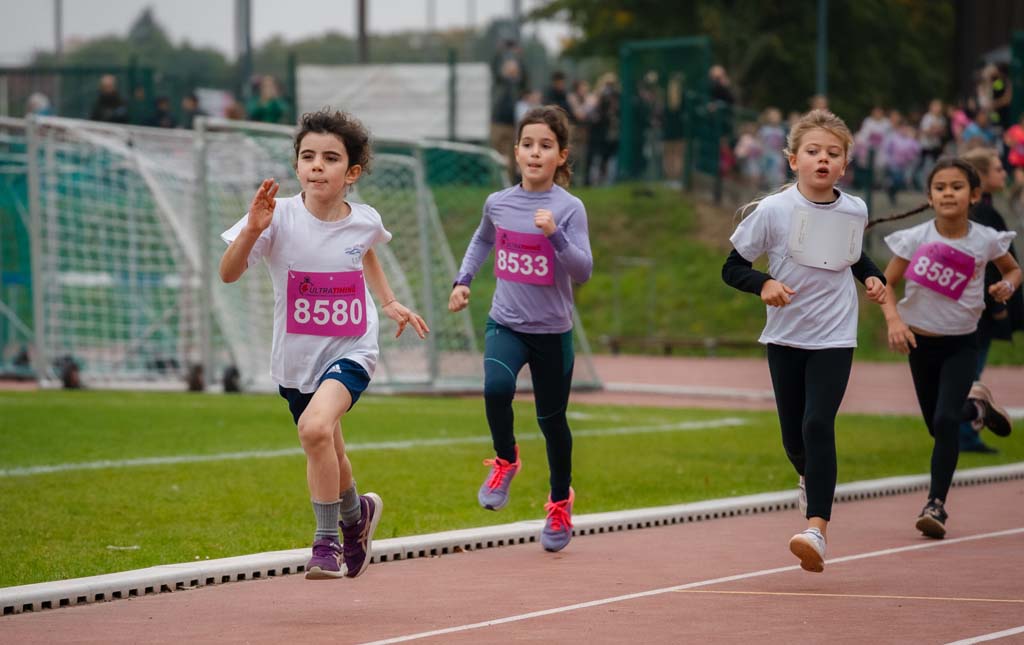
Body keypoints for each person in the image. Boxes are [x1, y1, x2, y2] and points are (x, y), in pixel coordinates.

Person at [219, 108, 429, 578]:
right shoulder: (275, 217)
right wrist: (251, 230)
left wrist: (388, 301)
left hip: (352, 348)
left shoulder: (365, 219)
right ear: (296, 165)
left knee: (314, 430)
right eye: (308, 156)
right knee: (329, 449)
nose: (317, 165)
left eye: (330, 158)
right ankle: (358, 514)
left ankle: (326, 543)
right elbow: (227, 274)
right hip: (296, 359)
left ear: (351, 173)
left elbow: (365, 251)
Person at [721, 109, 888, 573]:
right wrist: (764, 284)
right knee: (794, 438)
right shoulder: (774, 211)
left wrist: (872, 278)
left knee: (818, 425)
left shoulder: (854, 208)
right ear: (793, 160)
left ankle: (817, 530)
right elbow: (732, 268)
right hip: (785, 337)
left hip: (834, 336)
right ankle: (808, 475)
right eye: (813, 151)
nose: (823, 159)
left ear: (845, 164)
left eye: (833, 153)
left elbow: (853, 256)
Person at [448, 106, 592, 553]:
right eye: (527, 144)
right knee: (496, 389)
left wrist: (555, 235)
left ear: (561, 156)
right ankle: (506, 459)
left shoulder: (569, 209)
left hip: (552, 333)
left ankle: (559, 502)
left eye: (545, 146)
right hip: (506, 322)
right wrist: (463, 280)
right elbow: (482, 239)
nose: (535, 152)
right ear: (515, 152)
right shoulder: (498, 203)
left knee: (552, 422)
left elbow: (583, 271)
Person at [874, 158, 1020, 539]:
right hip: (920, 344)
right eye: (940, 187)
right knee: (937, 426)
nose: (948, 193)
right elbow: (885, 284)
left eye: (957, 187)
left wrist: (1007, 285)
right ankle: (977, 406)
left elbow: (1012, 269)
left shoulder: (985, 239)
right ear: (930, 196)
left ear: (974, 195)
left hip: (962, 344)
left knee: (944, 421)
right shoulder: (915, 238)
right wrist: (894, 321)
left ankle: (935, 505)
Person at [959, 148, 1024, 453]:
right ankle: (966, 435)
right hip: (979, 312)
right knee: (970, 376)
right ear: (980, 176)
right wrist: (997, 308)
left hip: (975, 309)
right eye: (997, 169)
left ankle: (964, 433)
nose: (1003, 173)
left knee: (969, 374)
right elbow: (984, 266)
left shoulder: (982, 212)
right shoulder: (981, 215)